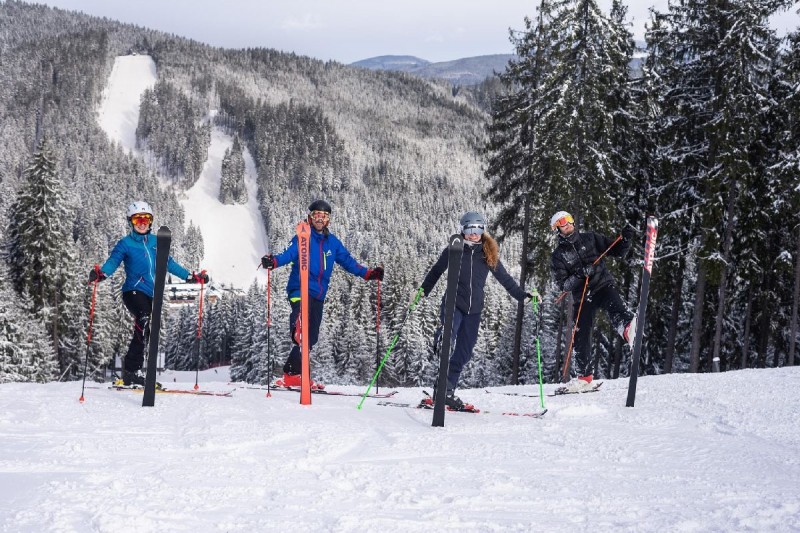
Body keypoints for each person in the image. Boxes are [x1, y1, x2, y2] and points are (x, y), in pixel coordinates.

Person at [261, 200, 384, 388]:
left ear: (328, 220)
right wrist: (274, 262)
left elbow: (348, 262)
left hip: (318, 294)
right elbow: (288, 254)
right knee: (302, 328)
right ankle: (297, 330)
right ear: (310, 217)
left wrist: (369, 274)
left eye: (324, 216)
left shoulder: (332, 243)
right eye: (317, 215)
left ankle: (292, 375)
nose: (320, 219)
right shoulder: (302, 237)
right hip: (299, 290)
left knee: (312, 337)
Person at [418, 211, 532, 410]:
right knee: (449, 337)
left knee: (464, 352)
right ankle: (442, 337)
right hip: (453, 303)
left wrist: (523, 296)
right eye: (469, 229)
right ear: (462, 230)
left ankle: (446, 390)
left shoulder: (487, 253)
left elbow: (505, 279)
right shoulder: (453, 250)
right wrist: (422, 291)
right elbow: (436, 271)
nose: (474, 233)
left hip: (475, 310)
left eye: (478, 229)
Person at [90, 201, 209, 386]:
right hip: (133, 292)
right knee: (144, 318)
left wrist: (189, 277)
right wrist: (102, 273)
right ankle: (132, 370)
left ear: (151, 221)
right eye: (138, 219)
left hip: (152, 294)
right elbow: (113, 261)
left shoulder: (156, 242)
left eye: (146, 219)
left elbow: (169, 263)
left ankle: (134, 372)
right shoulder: (125, 244)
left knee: (148, 331)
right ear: (131, 221)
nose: (142, 222)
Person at [549, 210, 635, 393]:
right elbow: (564, 285)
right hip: (583, 296)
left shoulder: (590, 238)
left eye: (570, 220)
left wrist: (625, 239)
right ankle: (584, 378)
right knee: (581, 334)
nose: (568, 224)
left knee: (616, 307)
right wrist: (580, 275)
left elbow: (617, 250)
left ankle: (628, 329)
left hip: (603, 285)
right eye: (563, 222)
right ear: (557, 229)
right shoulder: (558, 256)